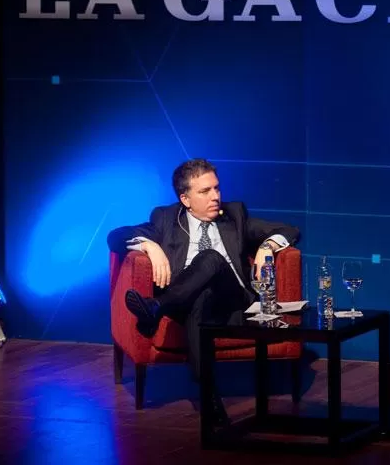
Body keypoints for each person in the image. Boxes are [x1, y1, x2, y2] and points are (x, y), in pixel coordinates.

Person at [108, 158, 300, 418]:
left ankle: (156, 309)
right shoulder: (166, 219)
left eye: (217, 188)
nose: (215, 197)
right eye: (205, 191)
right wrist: (149, 246)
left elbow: (289, 229)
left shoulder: (234, 216)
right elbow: (115, 236)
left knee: (210, 257)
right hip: (187, 303)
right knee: (199, 298)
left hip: (233, 301)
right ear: (185, 199)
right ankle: (209, 396)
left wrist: (267, 247)